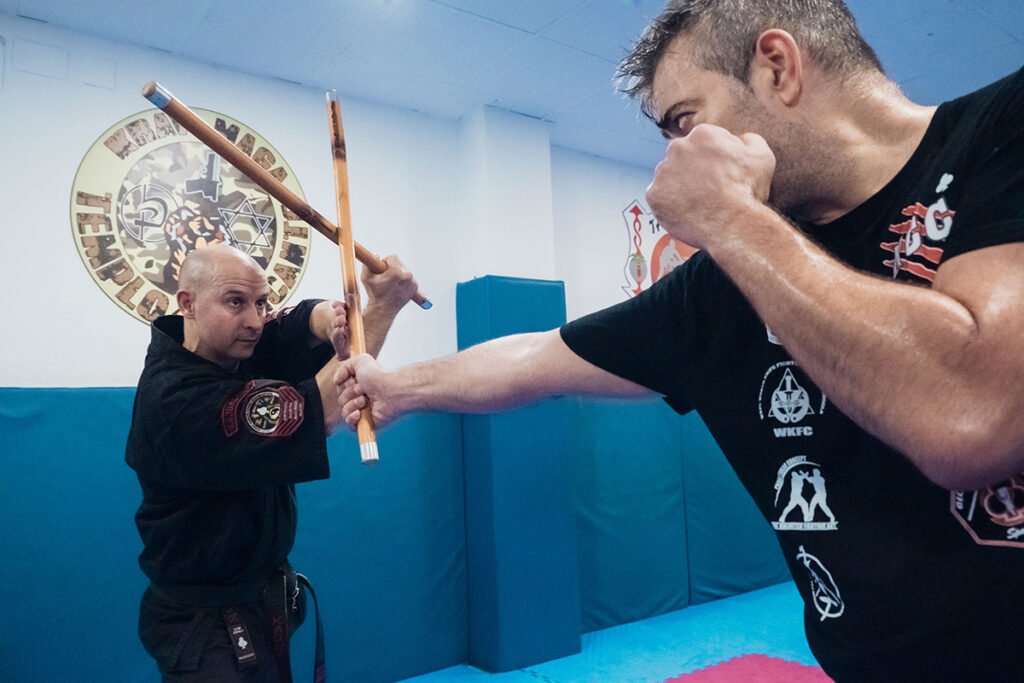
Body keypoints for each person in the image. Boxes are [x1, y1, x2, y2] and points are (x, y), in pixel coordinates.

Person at [335, 1, 1024, 680]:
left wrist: (728, 216)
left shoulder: (1004, 128)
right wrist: (395, 389)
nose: (675, 159)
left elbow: (974, 414)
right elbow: (537, 358)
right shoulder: (718, 289)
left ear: (777, 67)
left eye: (684, 122)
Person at [125, 242, 417, 681]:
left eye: (261, 302)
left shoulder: (228, 350)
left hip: (261, 606)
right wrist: (383, 307)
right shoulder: (176, 399)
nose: (254, 321)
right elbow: (324, 406)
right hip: (206, 631)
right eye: (235, 302)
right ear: (187, 303)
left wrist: (326, 316)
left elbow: (291, 325)